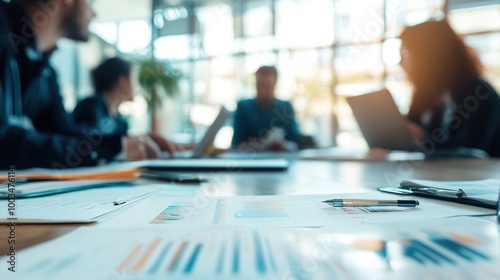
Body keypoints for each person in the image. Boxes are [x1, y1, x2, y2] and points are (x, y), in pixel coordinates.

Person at [0, 0, 161, 169]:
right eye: (90, 3)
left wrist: (121, 144)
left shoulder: (46, 73)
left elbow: (63, 134)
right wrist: (111, 149)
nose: (94, 13)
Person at [400, 20, 500, 157]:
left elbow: (471, 149)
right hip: (441, 173)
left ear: (429, 55)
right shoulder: (428, 95)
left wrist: (423, 137)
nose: (400, 62)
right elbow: (412, 132)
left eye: (406, 53)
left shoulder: (480, 93)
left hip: (480, 174)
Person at [73, 57, 190, 156]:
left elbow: (121, 145)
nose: (137, 87)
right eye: (134, 80)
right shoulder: (90, 106)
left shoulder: (120, 119)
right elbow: (81, 144)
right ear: (122, 81)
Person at [231, 66, 299, 152]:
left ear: (275, 84)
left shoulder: (286, 107)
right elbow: (235, 143)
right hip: (249, 160)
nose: (262, 90)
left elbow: (295, 143)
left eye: (267, 86)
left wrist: (283, 145)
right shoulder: (243, 107)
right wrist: (248, 145)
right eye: (259, 85)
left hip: (280, 158)